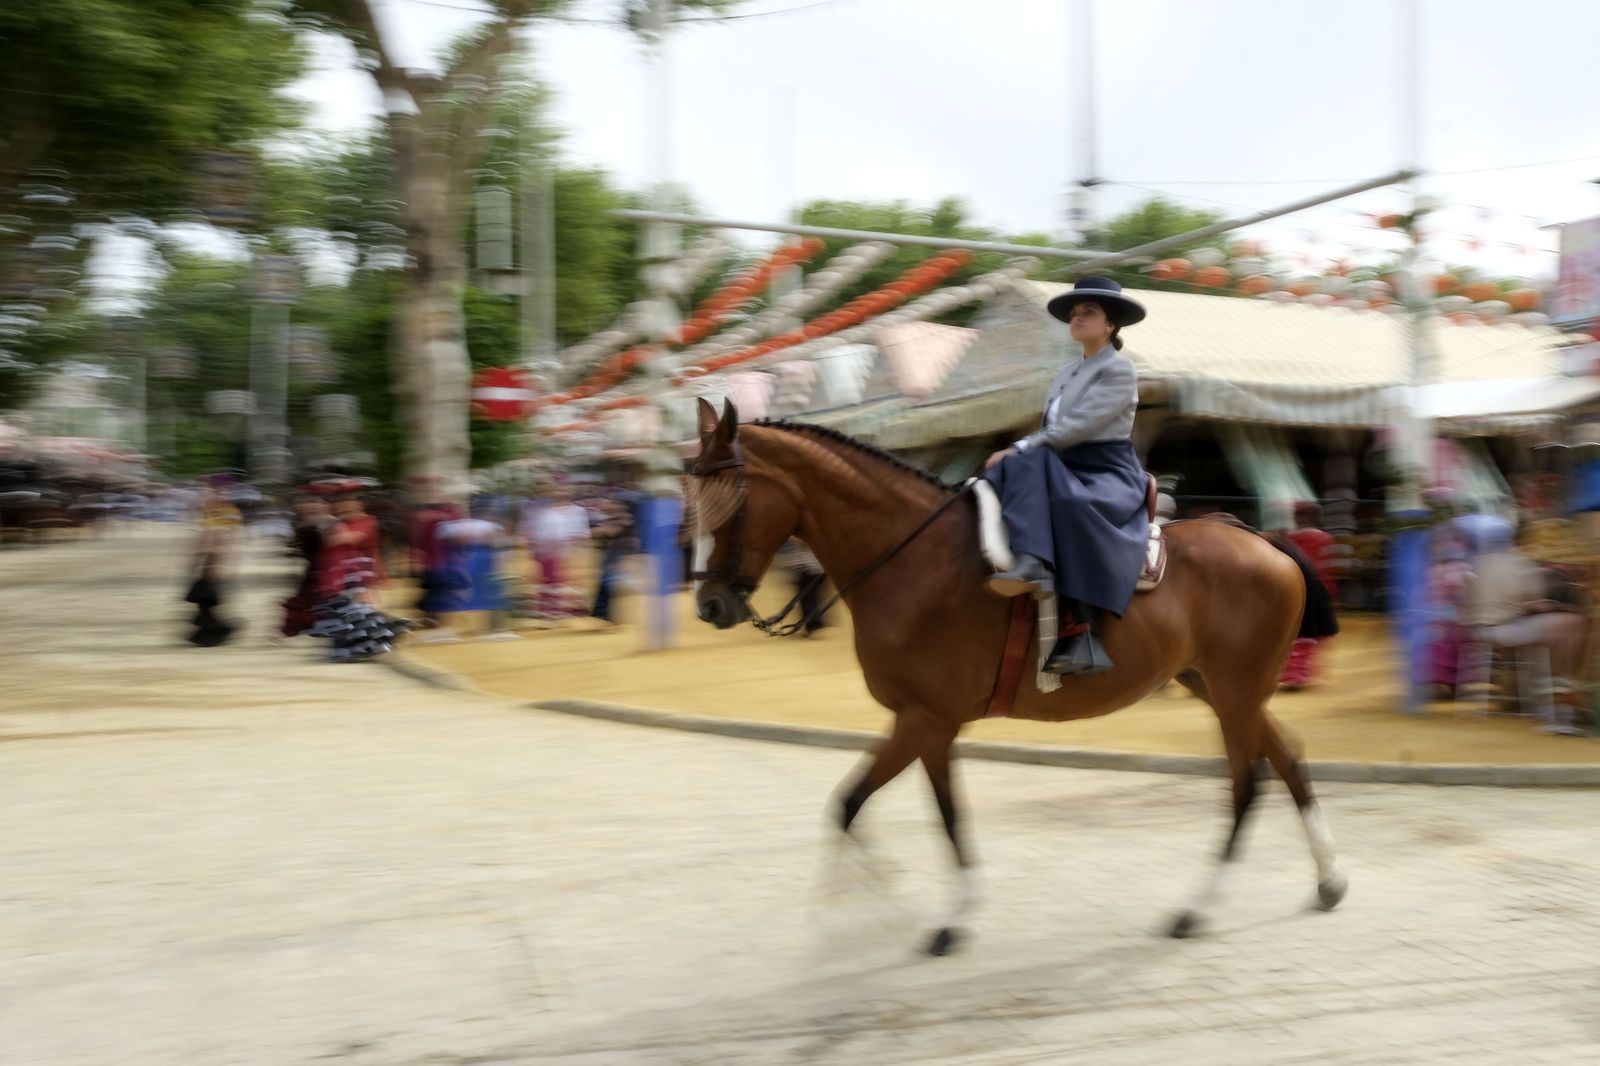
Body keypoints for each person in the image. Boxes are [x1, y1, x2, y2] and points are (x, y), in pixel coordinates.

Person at [982, 276, 1150, 676]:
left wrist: (1022, 447)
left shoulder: (1120, 370)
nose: (1077, 318)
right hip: (1058, 462)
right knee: (996, 480)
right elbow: (1054, 433)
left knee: (1062, 495)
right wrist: (1024, 451)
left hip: (1105, 468)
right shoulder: (1065, 372)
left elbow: (1079, 426)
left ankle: (1080, 623)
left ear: (1110, 324)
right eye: (1075, 313)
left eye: (1088, 312)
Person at [1280, 501, 1338, 689]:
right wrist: (1330, 590)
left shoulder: (1287, 538)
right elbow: (1326, 567)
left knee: (1291, 632)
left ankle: (1290, 671)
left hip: (1291, 587)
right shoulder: (1324, 539)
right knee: (1310, 634)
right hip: (1315, 589)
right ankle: (1297, 673)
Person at [590, 497, 636, 626]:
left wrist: (596, 531)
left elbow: (609, 532)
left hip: (620, 556)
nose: (605, 506)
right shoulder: (610, 519)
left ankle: (607, 615)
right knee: (606, 585)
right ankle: (602, 614)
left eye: (610, 503)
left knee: (611, 585)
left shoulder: (624, 518)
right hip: (611, 555)